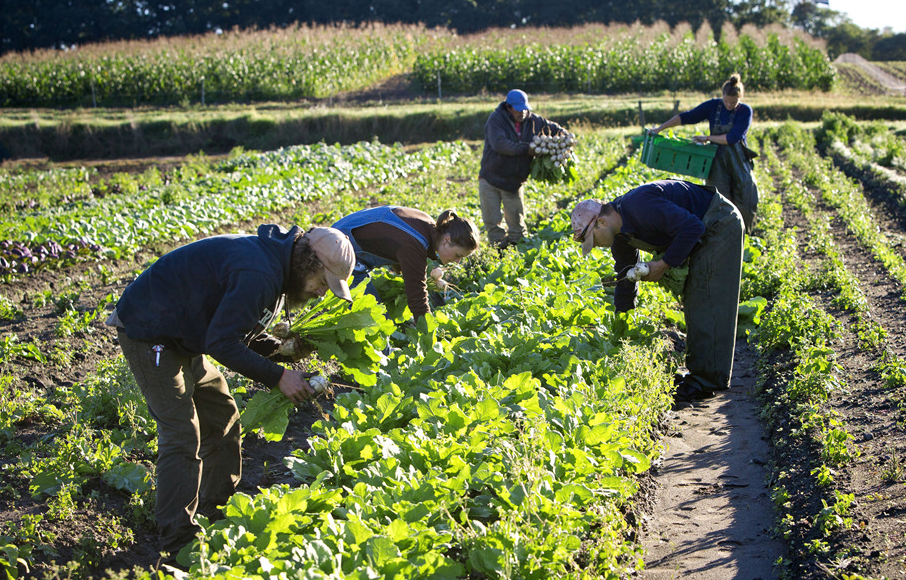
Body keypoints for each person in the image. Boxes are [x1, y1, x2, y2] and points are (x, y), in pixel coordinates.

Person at [105, 224, 355, 564]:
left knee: (222, 415)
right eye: (323, 283)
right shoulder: (259, 272)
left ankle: (214, 510)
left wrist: (281, 350)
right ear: (308, 264)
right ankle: (178, 542)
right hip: (151, 332)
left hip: (185, 334)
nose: (321, 293)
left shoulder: (278, 272)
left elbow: (238, 328)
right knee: (181, 433)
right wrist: (279, 376)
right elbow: (222, 343)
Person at [570, 180, 744, 401]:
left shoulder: (639, 206)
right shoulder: (620, 237)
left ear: (602, 222)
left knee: (707, 298)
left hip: (719, 222)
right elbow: (625, 278)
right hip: (702, 226)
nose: (595, 246)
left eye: (593, 241)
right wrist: (622, 325)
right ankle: (699, 373)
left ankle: (706, 381)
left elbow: (693, 227)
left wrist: (662, 265)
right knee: (695, 297)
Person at [649, 74, 759, 234]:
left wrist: (707, 138)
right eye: (726, 101)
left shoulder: (745, 111)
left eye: (733, 102)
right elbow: (688, 116)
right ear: (722, 96)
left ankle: (746, 235)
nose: (728, 105)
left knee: (746, 199)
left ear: (739, 97)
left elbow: (733, 137)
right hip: (717, 161)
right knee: (719, 200)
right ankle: (723, 236)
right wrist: (659, 129)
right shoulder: (714, 106)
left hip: (738, 161)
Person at [332, 206, 479, 321]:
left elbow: (391, 238)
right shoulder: (416, 244)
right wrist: (427, 332)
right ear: (447, 240)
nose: (458, 261)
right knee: (377, 320)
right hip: (338, 251)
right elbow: (417, 297)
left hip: (337, 237)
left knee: (369, 309)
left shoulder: (427, 224)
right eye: (458, 255)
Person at [479, 88, 568, 249]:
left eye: (525, 108)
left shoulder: (534, 120)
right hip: (491, 179)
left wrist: (564, 137)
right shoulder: (496, 120)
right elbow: (500, 144)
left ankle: (518, 255)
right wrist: (527, 149)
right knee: (493, 224)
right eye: (518, 109)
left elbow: (555, 129)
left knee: (517, 227)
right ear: (508, 107)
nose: (522, 112)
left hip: (514, 181)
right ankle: (498, 255)